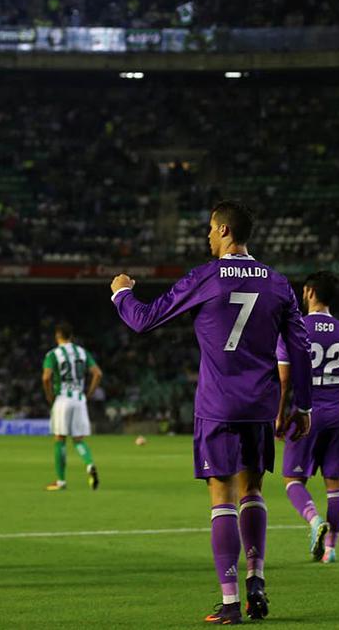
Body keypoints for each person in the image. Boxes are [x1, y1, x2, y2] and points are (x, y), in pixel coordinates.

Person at [111, 200, 313, 624]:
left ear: (223, 231)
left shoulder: (206, 277)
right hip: (260, 406)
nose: (207, 235)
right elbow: (299, 348)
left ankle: (230, 601)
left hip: (218, 405)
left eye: (209, 228)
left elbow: (145, 320)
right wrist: (303, 404)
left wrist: (122, 293)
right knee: (253, 493)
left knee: (221, 499)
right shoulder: (278, 284)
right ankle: (256, 582)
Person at [276, 271, 339, 564]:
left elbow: (284, 380)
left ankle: (315, 521)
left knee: (293, 479)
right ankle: (331, 549)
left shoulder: (294, 328)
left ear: (311, 291)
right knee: (335, 484)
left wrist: (279, 416)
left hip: (307, 413)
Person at [42, 323, 102, 491]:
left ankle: (61, 481)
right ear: (71, 336)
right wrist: (89, 394)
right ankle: (89, 464)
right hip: (79, 399)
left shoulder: (53, 354)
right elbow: (98, 373)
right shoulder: (82, 352)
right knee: (78, 439)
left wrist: (49, 396)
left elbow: (46, 378)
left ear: (57, 336)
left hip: (62, 399)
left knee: (60, 440)